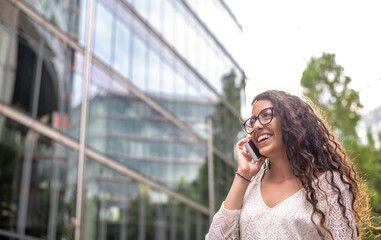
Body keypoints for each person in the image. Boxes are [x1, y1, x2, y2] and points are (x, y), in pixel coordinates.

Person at [206, 90, 378, 239]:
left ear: (290, 120)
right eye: (252, 122)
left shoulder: (329, 185)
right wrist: (243, 174)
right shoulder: (249, 184)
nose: (256, 126)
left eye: (266, 115)